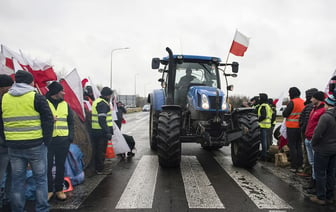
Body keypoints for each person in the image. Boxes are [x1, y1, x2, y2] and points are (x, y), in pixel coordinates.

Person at [0, 70, 53, 212]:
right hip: (36, 145)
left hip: (14, 146)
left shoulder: (5, 98)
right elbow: (48, 120)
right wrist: (46, 141)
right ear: (30, 82)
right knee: (40, 179)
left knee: (17, 181)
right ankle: (42, 209)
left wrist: (7, 140)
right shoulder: (36, 97)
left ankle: (17, 209)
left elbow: (1, 123)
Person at [46, 81, 74, 201]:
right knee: (46, 167)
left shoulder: (65, 105)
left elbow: (71, 122)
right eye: (61, 91)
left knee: (60, 166)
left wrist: (70, 137)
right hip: (48, 140)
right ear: (55, 92)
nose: (64, 93)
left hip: (63, 140)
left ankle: (59, 189)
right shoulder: (44, 103)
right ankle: (48, 190)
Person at [309, 94, 336, 205]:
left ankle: (321, 197)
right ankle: (330, 196)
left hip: (323, 149)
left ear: (327, 104)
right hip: (334, 149)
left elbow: (317, 133)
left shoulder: (325, 117)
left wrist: (313, 144)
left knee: (320, 173)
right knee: (331, 173)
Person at [301, 91, 326, 193]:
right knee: (312, 163)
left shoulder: (322, 111)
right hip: (308, 138)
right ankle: (313, 182)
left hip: (314, 140)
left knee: (316, 164)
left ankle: (317, 185)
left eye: (312, 98)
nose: (311, 100)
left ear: (317, 99)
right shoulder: (314, 109)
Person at [91, 87, 114, 175]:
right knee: (101, 151)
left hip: (96, 130)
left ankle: (97, 168)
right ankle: (100, 169)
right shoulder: (103, 104)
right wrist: (107, 131)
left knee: (97, 150)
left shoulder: (97, 101)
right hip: (101, 132)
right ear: (107, 96)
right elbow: (102, 119)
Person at [282, 87, 305, 173]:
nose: (289, 95)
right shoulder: (303, 102)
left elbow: (285, 114)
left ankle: (294, 166)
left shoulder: (292, 102)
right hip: (300, 127)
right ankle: (300, 165)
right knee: (299, 146)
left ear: (292, 93)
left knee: (292, 146)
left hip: (292, 127)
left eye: (289, 93)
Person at [298, 88, 318, 180]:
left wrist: (303, 129)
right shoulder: (311, 106)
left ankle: (308, 171)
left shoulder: (309, 107)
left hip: (307, 133)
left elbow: (306, 120)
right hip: (308, 133)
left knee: (308, 153)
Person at [0, 74, 13, 209]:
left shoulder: (7, 100)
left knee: (12, 174)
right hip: (3, 144)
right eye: (8, 87)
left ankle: (8, 200)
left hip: (11, 144)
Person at [257, 93, 272, 161]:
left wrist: (257, 120)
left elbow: (263, 116)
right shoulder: (268, 106)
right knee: (266, 140)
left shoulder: (263, 106)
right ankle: (265, 154)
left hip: (263, 125)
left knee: (263, 141)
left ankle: (263, 155)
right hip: (267, 125)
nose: (259, 99)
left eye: (260, 98)